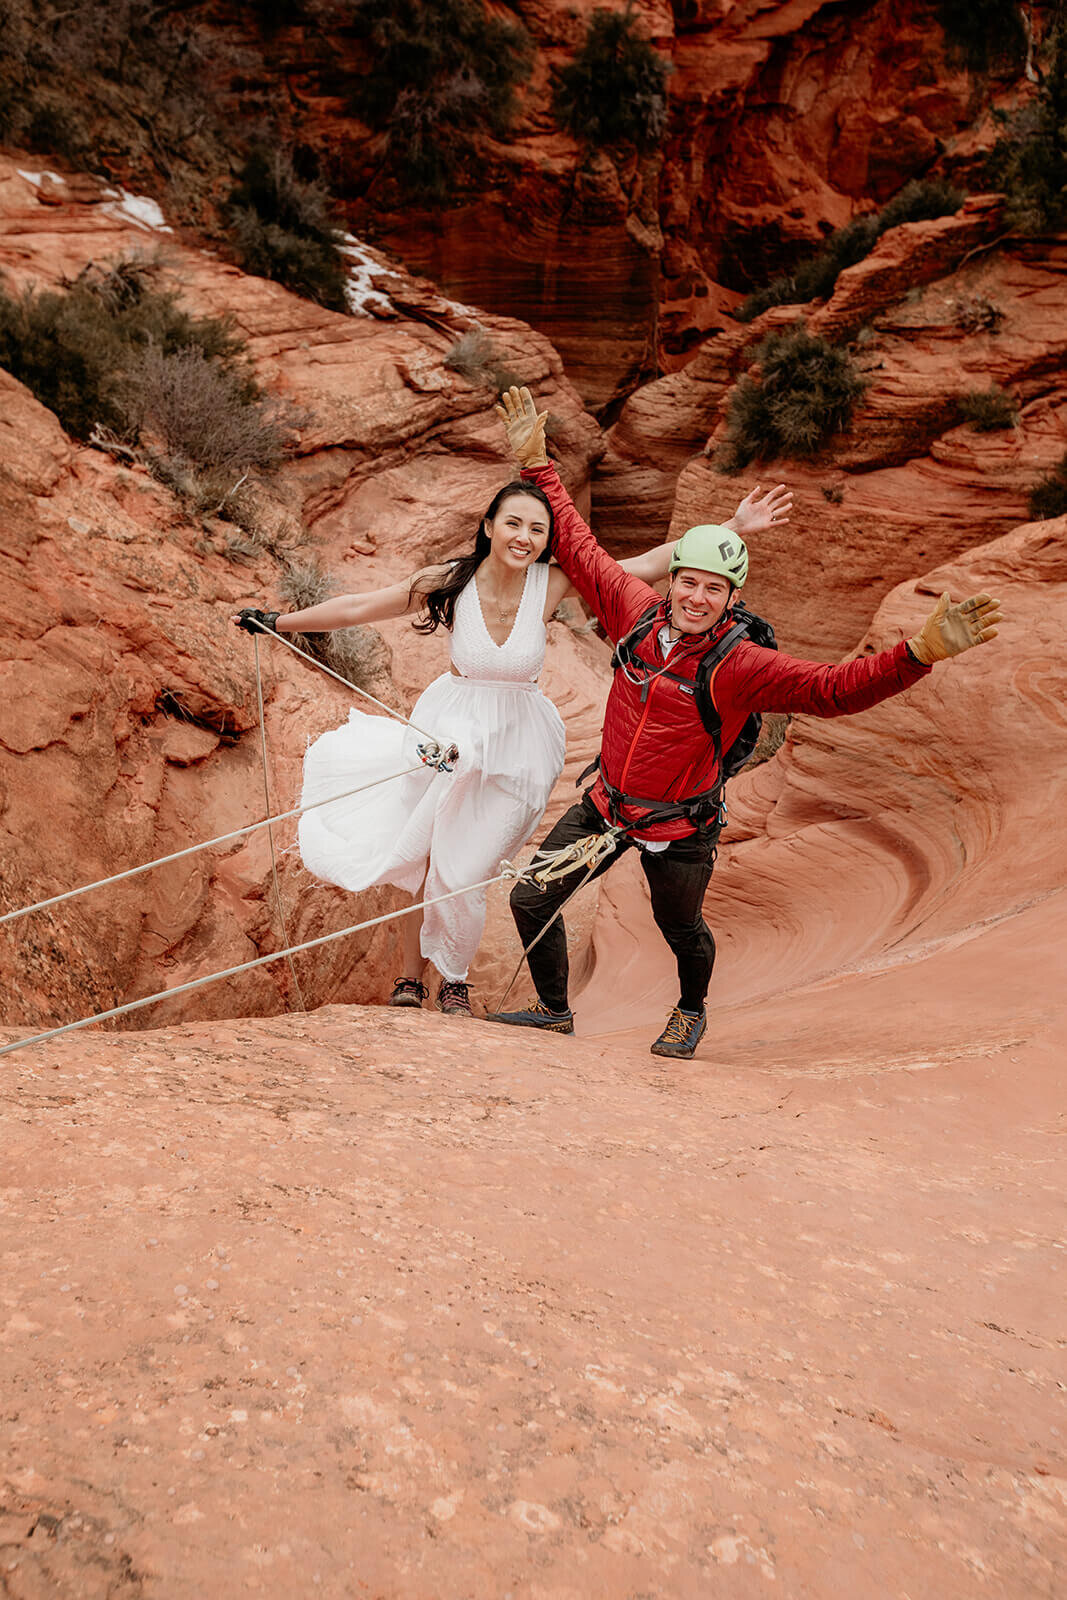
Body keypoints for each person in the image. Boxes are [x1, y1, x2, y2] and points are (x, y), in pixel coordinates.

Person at [489, 386, 1003, 1058]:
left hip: (679, 825)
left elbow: (832, 690)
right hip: (606, 805)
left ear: (732, 598)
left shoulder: (741, 664)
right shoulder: (633, 613)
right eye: (689, 582)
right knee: (531, 898)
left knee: (679, 928)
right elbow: (582, 550)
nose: (697, 598)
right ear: (671, 581)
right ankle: (555, 1011)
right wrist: (536, 466)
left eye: (714, 589)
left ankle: (689, 1010)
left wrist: (916, 655)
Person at [233, 473, 792, 1017]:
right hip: (449, 728)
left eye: (539, 530)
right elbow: (359, 607)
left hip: (518, 744)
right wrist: (281, 621)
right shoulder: (450, 579)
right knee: (424, 849)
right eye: (514, 524)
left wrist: (732, 530)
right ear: (489, 526)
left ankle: (453, 975)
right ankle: (412, 978)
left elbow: (654, 564)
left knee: (468, 864)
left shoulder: (550, 584)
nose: (525, 537)